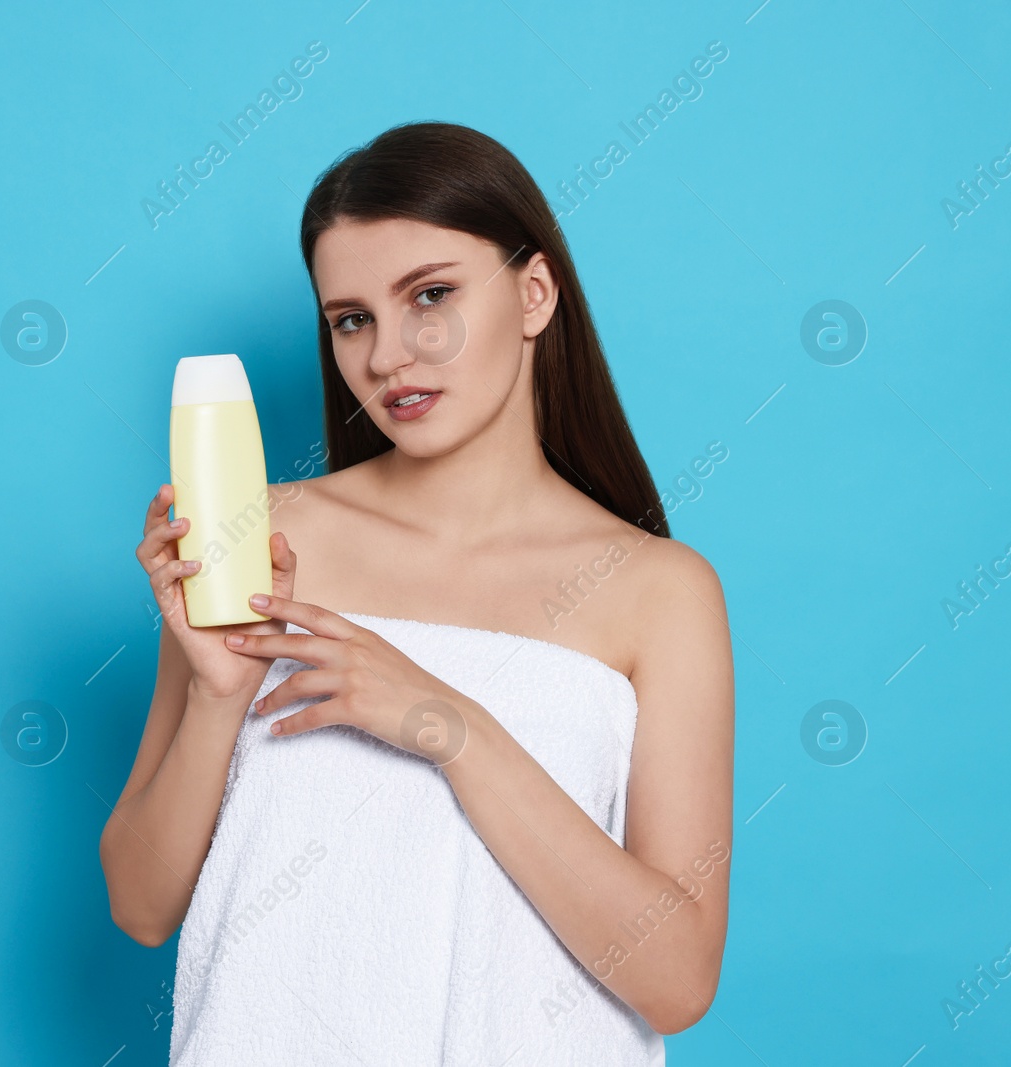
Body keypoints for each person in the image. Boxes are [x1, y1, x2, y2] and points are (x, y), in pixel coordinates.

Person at [99, 120, 734, 1065]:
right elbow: (142, 906)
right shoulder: (263, 540)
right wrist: (219, 697)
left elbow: (677, 979)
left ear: (534, 292)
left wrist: (445, 724)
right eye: (351, 318)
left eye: (429, 297)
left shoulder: (658, 591)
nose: (388, 355)